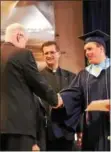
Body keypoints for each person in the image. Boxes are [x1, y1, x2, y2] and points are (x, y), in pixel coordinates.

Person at [0, 23, 62, 151]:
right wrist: (55, 100)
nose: (25, 45)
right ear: (19, 36)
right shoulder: (22, 54)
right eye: (25, 41)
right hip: (18, 125)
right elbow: (37, 82)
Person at [57, 30, 110, 151]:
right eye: (85, 50)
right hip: (92, 129)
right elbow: (73, 95)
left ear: (101, 48)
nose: (86, 53)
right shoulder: (84, 75)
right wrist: (60, 99)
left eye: (90, 49)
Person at [35, 41, 82, 151]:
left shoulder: (72, 77)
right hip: (46, 132)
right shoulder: (37, 78)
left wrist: (80, 130)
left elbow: (77, 105)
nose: (49, 55)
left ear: (59, 53)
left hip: (67, 131)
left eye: (52, 52)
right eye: (46, 53)